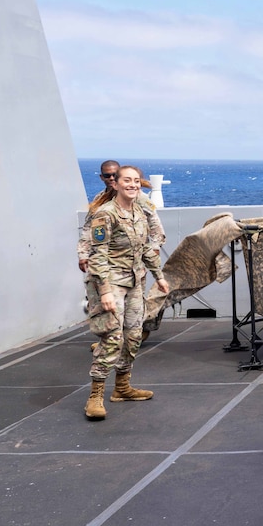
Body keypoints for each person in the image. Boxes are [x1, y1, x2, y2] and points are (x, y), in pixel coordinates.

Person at [83, 165, 170, 420]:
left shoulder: (139, 213)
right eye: (126, 181)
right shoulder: (105, 214)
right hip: (109, 284)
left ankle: (122, 388)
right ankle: (95, 396)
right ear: (116, 184)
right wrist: (106, 292)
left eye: (135, 181)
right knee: (112, 337)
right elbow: (97, 255)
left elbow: (146, 250)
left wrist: (160, 277)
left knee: (133, 336)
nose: (132, 185)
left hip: (134, 282)